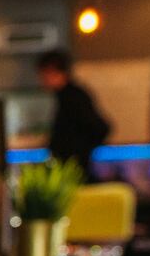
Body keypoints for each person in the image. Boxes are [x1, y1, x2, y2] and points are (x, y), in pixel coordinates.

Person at [37, 50, 110, 178]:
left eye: (44, 74)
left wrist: (80, 152)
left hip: (75, 172)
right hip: (70, 170)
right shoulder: (65, 96)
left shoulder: (73, 97)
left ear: (52, 70)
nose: (42, 80)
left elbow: (101, 127)